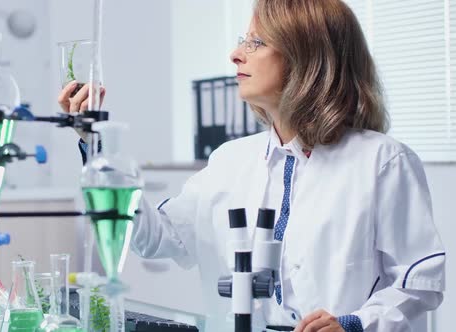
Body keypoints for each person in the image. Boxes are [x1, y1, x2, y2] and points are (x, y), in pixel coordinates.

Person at [58, 0, 445, 331]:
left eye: (256, 42)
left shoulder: (381, 162)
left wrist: (354, 323)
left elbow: (418, 283)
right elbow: (152, 237)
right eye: (242, 41)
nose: (236, 54)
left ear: (307, 58)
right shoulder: (230, 160)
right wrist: (97, 145)